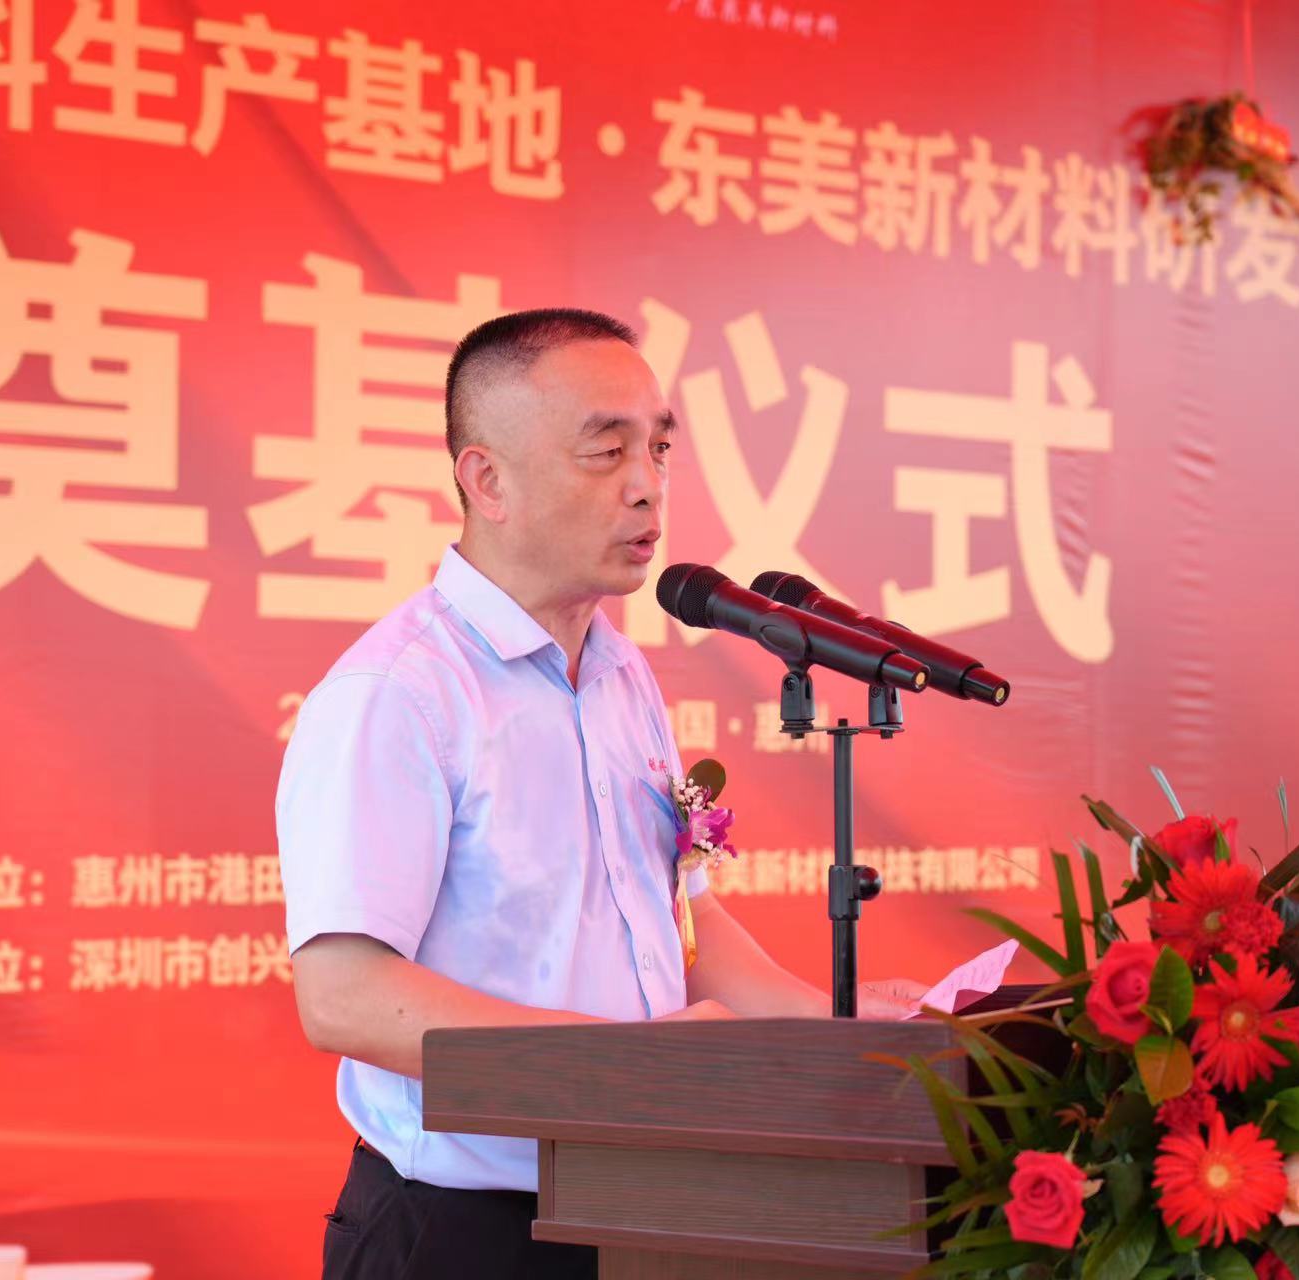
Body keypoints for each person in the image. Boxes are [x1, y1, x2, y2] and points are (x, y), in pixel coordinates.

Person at [276, 308, 926, 1280]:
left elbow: (682, 925)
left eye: (658, 447)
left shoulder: (622, 675)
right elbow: (344, 997)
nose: (647, 485)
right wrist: (630, 1067)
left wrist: (831, 1020)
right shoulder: (399, 692)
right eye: (605, 450)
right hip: (463, 1232)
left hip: (639, 1203)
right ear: (487, 480)